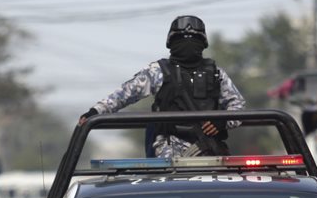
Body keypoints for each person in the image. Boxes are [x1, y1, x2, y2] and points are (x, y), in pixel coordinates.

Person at [79, 15, 245, 159]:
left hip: (211, 153)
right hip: (169, 156)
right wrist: (95, 112)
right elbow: (124, 95)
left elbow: (238, 107)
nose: (188, 44)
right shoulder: (158, 72)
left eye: (193, 39)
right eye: (182, 39)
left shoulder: (216, 74)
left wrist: (222, 121)